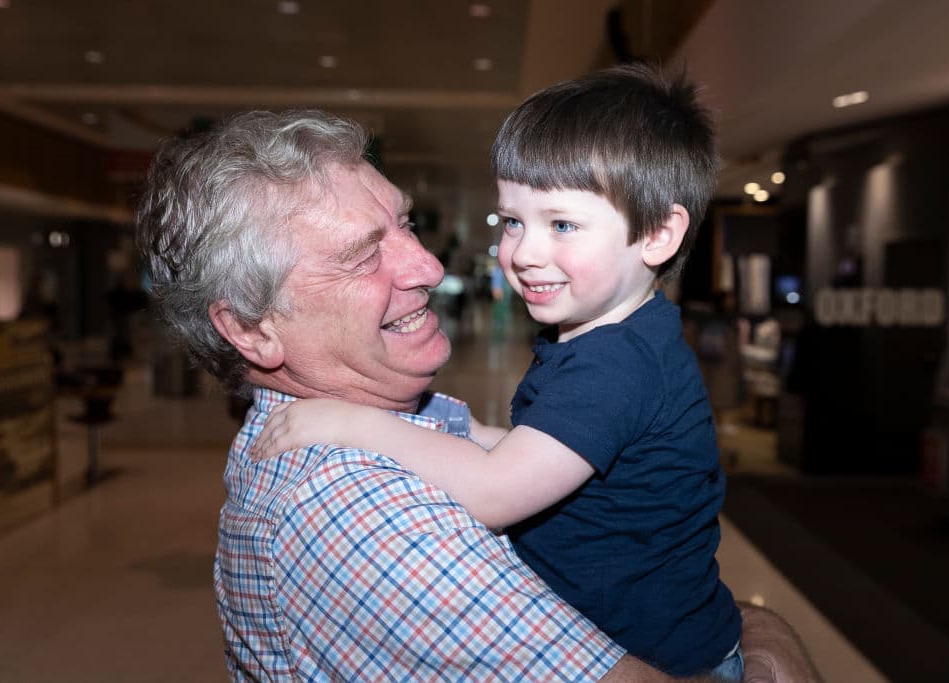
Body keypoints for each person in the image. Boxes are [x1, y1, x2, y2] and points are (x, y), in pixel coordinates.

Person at [136, 107, 819, 682]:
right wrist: (765, 640)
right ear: (252, 328)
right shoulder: (354, 512)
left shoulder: (589, 363)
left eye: (404, 224)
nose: (429, 266)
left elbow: (498, 457)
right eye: (362, 253)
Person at [254, 64, 741, 679]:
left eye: (561, 224)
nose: (525, 252)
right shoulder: (608, 340)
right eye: (514, 221)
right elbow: (542, 449)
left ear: (657, 234)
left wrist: (353, 423)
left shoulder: (617, 365)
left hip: (668, 663)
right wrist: (460, 432)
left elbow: (495, 492)